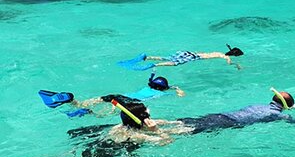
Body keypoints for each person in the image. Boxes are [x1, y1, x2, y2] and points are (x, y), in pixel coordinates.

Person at [108, 88, 295, 144]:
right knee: (189, 131)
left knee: (185, 123)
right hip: (227, 123)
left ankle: (153, 125)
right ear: (287, 107)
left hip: (221, 114)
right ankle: (155, 129)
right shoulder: (280, 116)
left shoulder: (260, 104)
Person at [38, 73, 185, 118]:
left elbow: (157, 85)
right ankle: (88, 113)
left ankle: (72, 101)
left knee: (87, 102)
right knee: (104, 115)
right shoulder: (160, 94)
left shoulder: (147, 86)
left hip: (117, 95)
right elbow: (179, 96)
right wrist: (177, 90)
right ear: (163, 88)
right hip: (130, 101)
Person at [116, 44, 244, 71]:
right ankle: (153, 65)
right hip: (193, 57)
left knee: (168, 57)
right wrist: (237, 65)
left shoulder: (216, 51)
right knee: (174, 63)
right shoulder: (222, 56)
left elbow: (201, 51)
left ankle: (147, 57)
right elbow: (228, 62)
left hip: (188, 52)